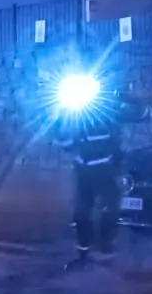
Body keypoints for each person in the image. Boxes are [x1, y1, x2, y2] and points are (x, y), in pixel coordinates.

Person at [59, 91, 147, 266]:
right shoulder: (73, 118)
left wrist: (130, 98)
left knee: (110, 207)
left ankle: (104, 245)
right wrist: (62, 123)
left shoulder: (110, 113)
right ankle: (85, 251)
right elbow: (66, 145)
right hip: (85, 170)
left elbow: (141, 115)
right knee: (83, 211)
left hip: (104, 169)